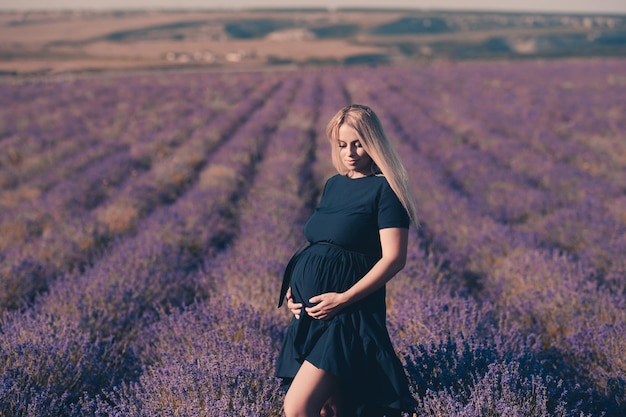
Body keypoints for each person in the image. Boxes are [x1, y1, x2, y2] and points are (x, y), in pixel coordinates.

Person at [275, 104, 419, 417]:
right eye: (342, 145)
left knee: (298, 407)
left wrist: (344, 298)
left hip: (348, 318)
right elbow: (321, 243)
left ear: (374, 143)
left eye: (358, 143)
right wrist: (293, 290)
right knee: (334, 410)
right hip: (312, 315)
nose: (349, 152)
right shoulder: (333, 185)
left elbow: (394, 258)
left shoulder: (386, 190)